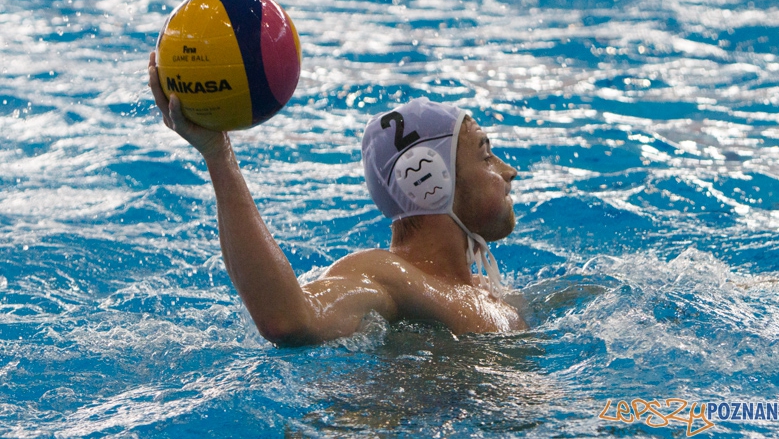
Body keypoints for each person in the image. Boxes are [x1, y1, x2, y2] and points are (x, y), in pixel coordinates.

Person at [148, 53, 526, 346]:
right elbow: (289, 320)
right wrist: (219, 155)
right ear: (428, 176)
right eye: (485, 153)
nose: (509, 170)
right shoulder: (384, 276)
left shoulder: (487, 291)